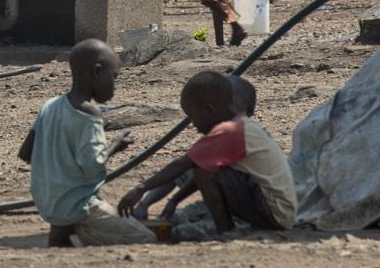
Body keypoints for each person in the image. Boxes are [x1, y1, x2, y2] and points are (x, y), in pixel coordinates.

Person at [119, 71, 296, 235]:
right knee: (203, 166)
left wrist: (140, 189)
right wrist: (175, 201)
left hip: (274, 214)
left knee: (202, 170)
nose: (193, 124)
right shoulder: (241, 127)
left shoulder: (230, 131)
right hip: (278, 212)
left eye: (192, 116)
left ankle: (225, 230)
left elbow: (184, 164)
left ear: (210, 110)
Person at [23, 39, 154, 247]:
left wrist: (56, 166)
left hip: (48, 201)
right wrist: (116, 145)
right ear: (97, 72)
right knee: (146, 237)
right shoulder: (90, 113)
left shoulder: (50, 106)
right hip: (78, 203)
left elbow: (26, 153)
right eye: (113, 77)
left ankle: (64, 232)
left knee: (63, 239)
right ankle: (82, 229)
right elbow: (93, 165)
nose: (114, 85)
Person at [130, 75, 257, 221]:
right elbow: (188, 170)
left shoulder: (235, 133)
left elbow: (188, 167)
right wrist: (158, 202)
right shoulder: (233, 130)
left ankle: (225, 228)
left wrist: (145, 191)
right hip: (244, 202)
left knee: (180, 223)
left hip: (251, 207)